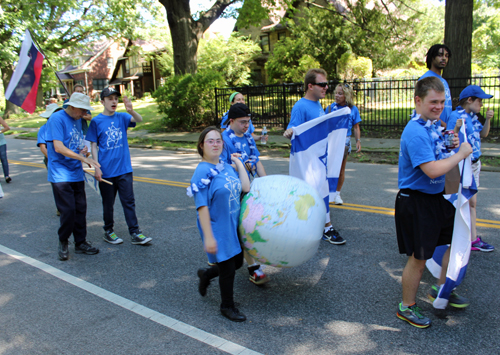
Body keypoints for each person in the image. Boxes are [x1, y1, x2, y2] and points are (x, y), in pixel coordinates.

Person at [395, 76, 472, 328]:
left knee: (460, 235)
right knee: (419, 258)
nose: (439, 107)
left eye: (442, 101)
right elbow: (431, 170)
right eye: (433, 102)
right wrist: (460, 154)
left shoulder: (431, 124)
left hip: (434, 200)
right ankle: (406, 307)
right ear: (418, 101)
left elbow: (441, 152)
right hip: (415, 202)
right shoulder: (415, 131)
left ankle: (440, 288)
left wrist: (452, 142)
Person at [189, 126, 250, 322]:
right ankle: (227, 306)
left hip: (232, 224)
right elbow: (202, 207)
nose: (215, 144)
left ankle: (206, 274)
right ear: (201, 146)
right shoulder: (201, 172)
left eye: (218, 140)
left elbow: (245, 187)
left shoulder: (224, 166)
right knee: (228, 269)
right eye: (210, 141)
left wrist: (238, 162)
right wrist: (208, 236)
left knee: (238, 262)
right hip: (217, 227)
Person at [283, 68, 345, 245]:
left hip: (319, 159)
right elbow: (293, 129)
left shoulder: (318, 105)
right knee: (308, 193)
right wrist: (291, 131)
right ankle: (325, 227)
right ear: (310, 86)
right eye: (322, 84)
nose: (326, 88)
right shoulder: (300, 106)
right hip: (307, 162)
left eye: (327, 84)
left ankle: (318, 225)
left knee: (319, 193)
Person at [86, 87, 152, 245]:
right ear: (102, 102)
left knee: (129, 201)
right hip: (106, 170)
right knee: (108, 203)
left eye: (115, 98)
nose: (113, 101)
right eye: (109, 99)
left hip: (124, 169)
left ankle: (135, 232)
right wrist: (96, 166)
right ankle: (108, 231)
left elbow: (139, 119)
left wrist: (131, 111)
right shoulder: (96, 121)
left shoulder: (122, 117)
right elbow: (93, 145)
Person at [45, 92, 101, 261]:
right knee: (68, 211)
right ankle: (63, 240)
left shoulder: (78, 121)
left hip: (76, 172)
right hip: (61, 174)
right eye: (82, 110)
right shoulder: (57, 119)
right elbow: (59, 148)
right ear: (72, 106)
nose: (84, 114)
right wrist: (83, 158)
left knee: (80, 209)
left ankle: (80, 242)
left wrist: (82, 151)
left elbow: (75, 145)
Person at [220, 103, 269, 285]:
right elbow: (221, 166)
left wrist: (267, 184)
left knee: (248, 226)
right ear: (231, 121)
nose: (246, 126)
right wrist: (238, 165)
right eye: (242, 122)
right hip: (232, 191)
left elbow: (256, 162)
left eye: (248, 122)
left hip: (248, 188)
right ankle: (253, 268)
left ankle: (252, 265)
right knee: (239, 228)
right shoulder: (223, 140)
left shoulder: (248, 137)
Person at [446, 85, 495, 252]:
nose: (481, 104)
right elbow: (449, 141)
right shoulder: (456, 116)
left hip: (475, 163)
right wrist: (457, 129)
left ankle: (470, 237)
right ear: (469, 100)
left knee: (471, 202)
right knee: (468, 201)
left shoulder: (473, 117)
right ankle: (467, 238)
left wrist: (488, 119)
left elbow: (483, 135)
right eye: (479, 100)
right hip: (464, 164)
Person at [325, 83, 362, 205]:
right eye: (336, 92)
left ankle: (337, 194)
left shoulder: (352, 109)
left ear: (346, 95)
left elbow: (356, 127)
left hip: (344, 141)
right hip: (330, 141)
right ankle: (326, 191)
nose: (336, 95)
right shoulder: (330, 108)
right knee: (327, 168)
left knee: (340, 169)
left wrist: (358, 141)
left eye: (340, 93)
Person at [418, 44, 452, 126]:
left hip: (445, 131)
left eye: (446, 56)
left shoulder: (443, 81)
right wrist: (444, 125)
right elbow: (423, 108)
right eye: (440, 55)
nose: (444, 58)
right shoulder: (426, 79)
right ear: (432, 57)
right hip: (433, 129)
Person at [38, 103, 62, 216]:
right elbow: (43, 148)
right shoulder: (44, 129)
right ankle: (60, 207)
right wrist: (53, 158)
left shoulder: (62, 125)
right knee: (57, 184)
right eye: (55, 113)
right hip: (51, 160)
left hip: (64, 159)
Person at [0, 117, 12, 183]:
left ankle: (7, 176)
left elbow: (7, 127)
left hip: (1, 143)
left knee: (3, 158)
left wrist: (0, 131)